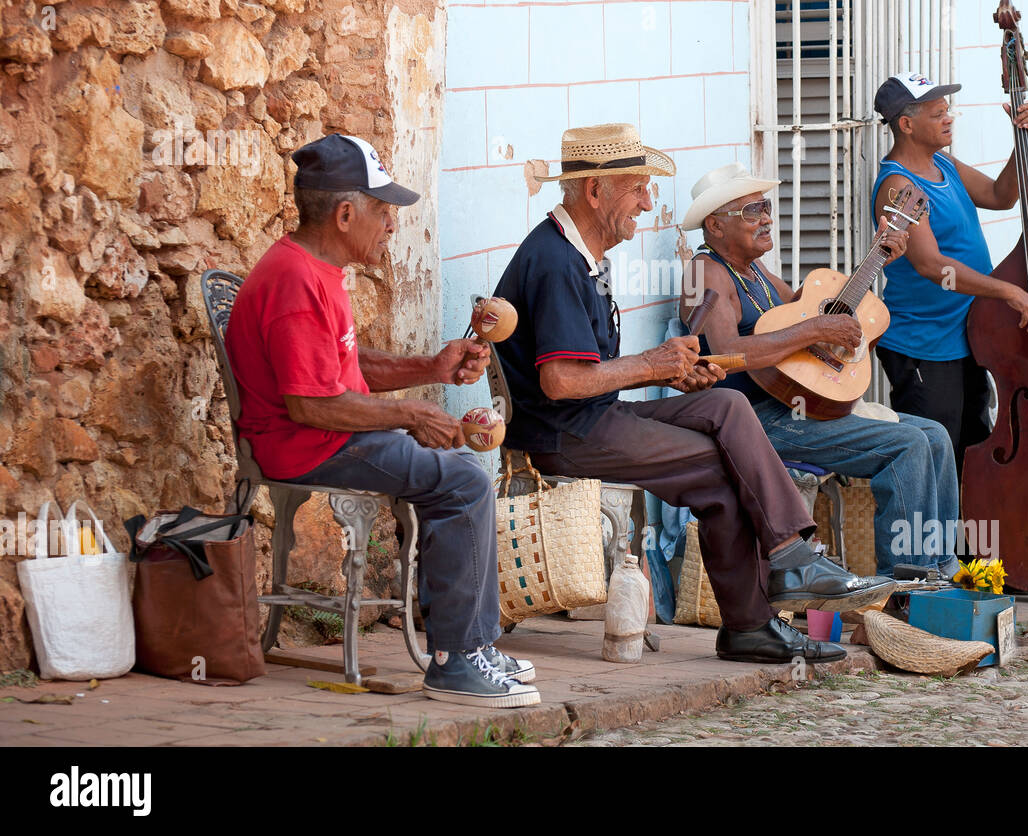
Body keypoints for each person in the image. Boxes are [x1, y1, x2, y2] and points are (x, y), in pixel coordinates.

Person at [493, 123, 895, 665]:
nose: (647, 200)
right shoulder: (556, 261)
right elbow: (560, 381)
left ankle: (788, 559)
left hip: (594, 416)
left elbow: (594, 372)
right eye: (637, 187)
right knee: (724, 469)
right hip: (564, 431)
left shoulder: (582, 255)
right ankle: (758, 613)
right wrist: (649, 364)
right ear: (595, 191)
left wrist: (674, 371)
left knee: (724, 402)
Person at [225, 133, 538, 708]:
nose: (392, 224)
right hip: (307, 444)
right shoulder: (295, 280)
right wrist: (412, 414)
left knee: (458, 470)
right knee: (464, 481)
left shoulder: (316, 268)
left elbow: (340, 365)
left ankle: (473, 645)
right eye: (383, 209)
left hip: (328, 433)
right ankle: (456, 661)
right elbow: (310, 403)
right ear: (345, 214)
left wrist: (432, 368)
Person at [680, 163, 962, 578]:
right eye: (751, 212)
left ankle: (940, 569)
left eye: (766, 207)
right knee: (907, 445)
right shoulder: (705, 273)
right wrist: (816, 327)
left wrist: (876, 256)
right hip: (752, 420)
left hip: (792, 405)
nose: (766, 219)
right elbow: (728, 352)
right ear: (715, 226)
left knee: (934, 436)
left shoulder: (754, 271)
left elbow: (805, 311)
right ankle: (905, 587)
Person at [869, 72, 1028, 470]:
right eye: (938, 114)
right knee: (938, 462)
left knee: (972, 453)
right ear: (907, 124)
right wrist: (1009, 292)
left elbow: (1001, 196)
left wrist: (1025, 144)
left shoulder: (944, 165)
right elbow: (930, 264)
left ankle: (970, 536)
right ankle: (930, 535)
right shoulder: (899, 185)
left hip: (967, 335)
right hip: (924, 347)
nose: (948, 118)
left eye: (947, 110)